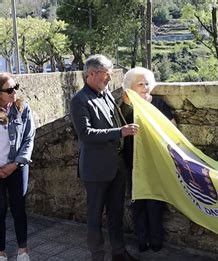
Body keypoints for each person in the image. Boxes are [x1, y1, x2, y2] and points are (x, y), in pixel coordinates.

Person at [70, 55, 139, 261]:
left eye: (110, 74)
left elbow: (117, 119)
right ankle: (97, 256)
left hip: (117, 165)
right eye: (106, 74)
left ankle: (119, 253)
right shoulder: (80, 100)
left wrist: (128, 108)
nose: (109, 78)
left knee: (116, 213)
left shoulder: (106, 94)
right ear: (91, 74)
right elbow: (85, 134)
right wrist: (120, 132)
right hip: (96, 169)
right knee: (95, 217)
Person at [120, 67, 175, 253]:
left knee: (155, 201)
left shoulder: (159, 103)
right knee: (137, 202)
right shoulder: (125, 108)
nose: (145, 87)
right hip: (132, 162)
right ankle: (141, 240)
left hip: (156, 161)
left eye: (147, 83)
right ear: (130, 87)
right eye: (140, 84)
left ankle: (156, 240)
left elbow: (173, 129)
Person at [0, 73, 35, 261]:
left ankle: (23, 250)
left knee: (19, 209)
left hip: (17, 167)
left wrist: (15, 164)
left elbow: (29, 139)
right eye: (9, 90)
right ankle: (1, 253)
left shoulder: (23, 108)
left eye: (16, 87)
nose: (14, 92)